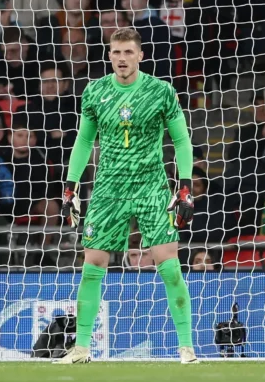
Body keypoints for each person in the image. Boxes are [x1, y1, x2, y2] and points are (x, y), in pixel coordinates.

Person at [56, 27, 197, 364]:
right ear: (109, 56)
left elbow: (180, 140)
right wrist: (71, 185)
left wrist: (185, 185)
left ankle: (187, 347)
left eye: (128, 52)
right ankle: (82, 348)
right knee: (93, 265)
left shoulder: (161, 91)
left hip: (151, 186)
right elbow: (84, 141)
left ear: (140, 56)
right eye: (116, 52)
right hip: (108, 189)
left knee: (169, 265)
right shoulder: (95, 92)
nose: (122, 59)